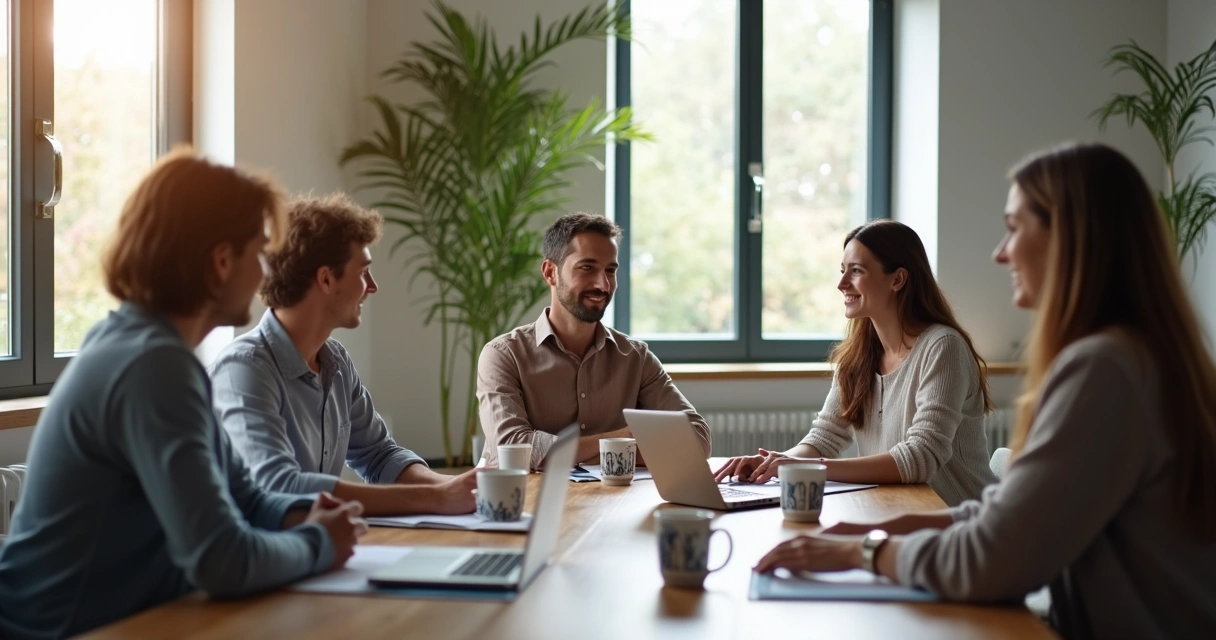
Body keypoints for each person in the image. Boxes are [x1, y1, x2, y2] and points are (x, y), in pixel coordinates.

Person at [753, 142, 1216, 638]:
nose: (1000, 252)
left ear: (1073, 237)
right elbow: (1005, 517)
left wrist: (861, 551)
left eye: (1015, 227)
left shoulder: (1104, 369)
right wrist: (878, 528)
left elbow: (994, 556)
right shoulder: (1130, 357)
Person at [0, 150, 365, 640]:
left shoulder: (144, 347)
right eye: (259, 252)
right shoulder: (153, 366)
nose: (265, 274)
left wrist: (312, 516)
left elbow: (247, 497)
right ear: (220, 261)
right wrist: (319, 541)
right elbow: (222, 560)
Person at [209, 193, 476, 516]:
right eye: (363, 271)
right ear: (325, 279)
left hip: (320, 550)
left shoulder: (335, 361)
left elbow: (380, 456)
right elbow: (278, 484)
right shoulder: (244, 369)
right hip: (264, 560)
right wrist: (433, 499)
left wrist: (455, 487)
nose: (372, 286)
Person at [713, 220, 997, 506]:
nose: (841, 284)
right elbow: (824, 438)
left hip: (963, 526)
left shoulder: (943, 348)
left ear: (897, 279)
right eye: (842, 270)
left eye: (857, 271)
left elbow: (921, 457)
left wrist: (807, 468)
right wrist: (775, 464)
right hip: (898, 513)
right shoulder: (858, 356)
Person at [477, 213, 710, 469]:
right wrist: (623, 440)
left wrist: (556, 452)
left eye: (610, 270)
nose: (603, 284)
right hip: (528, 504)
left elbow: (697, 439)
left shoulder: (636, 358)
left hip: (611, 504)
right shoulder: (503, 355)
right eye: (587, 267)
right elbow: (512, 450)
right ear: (550, 272)